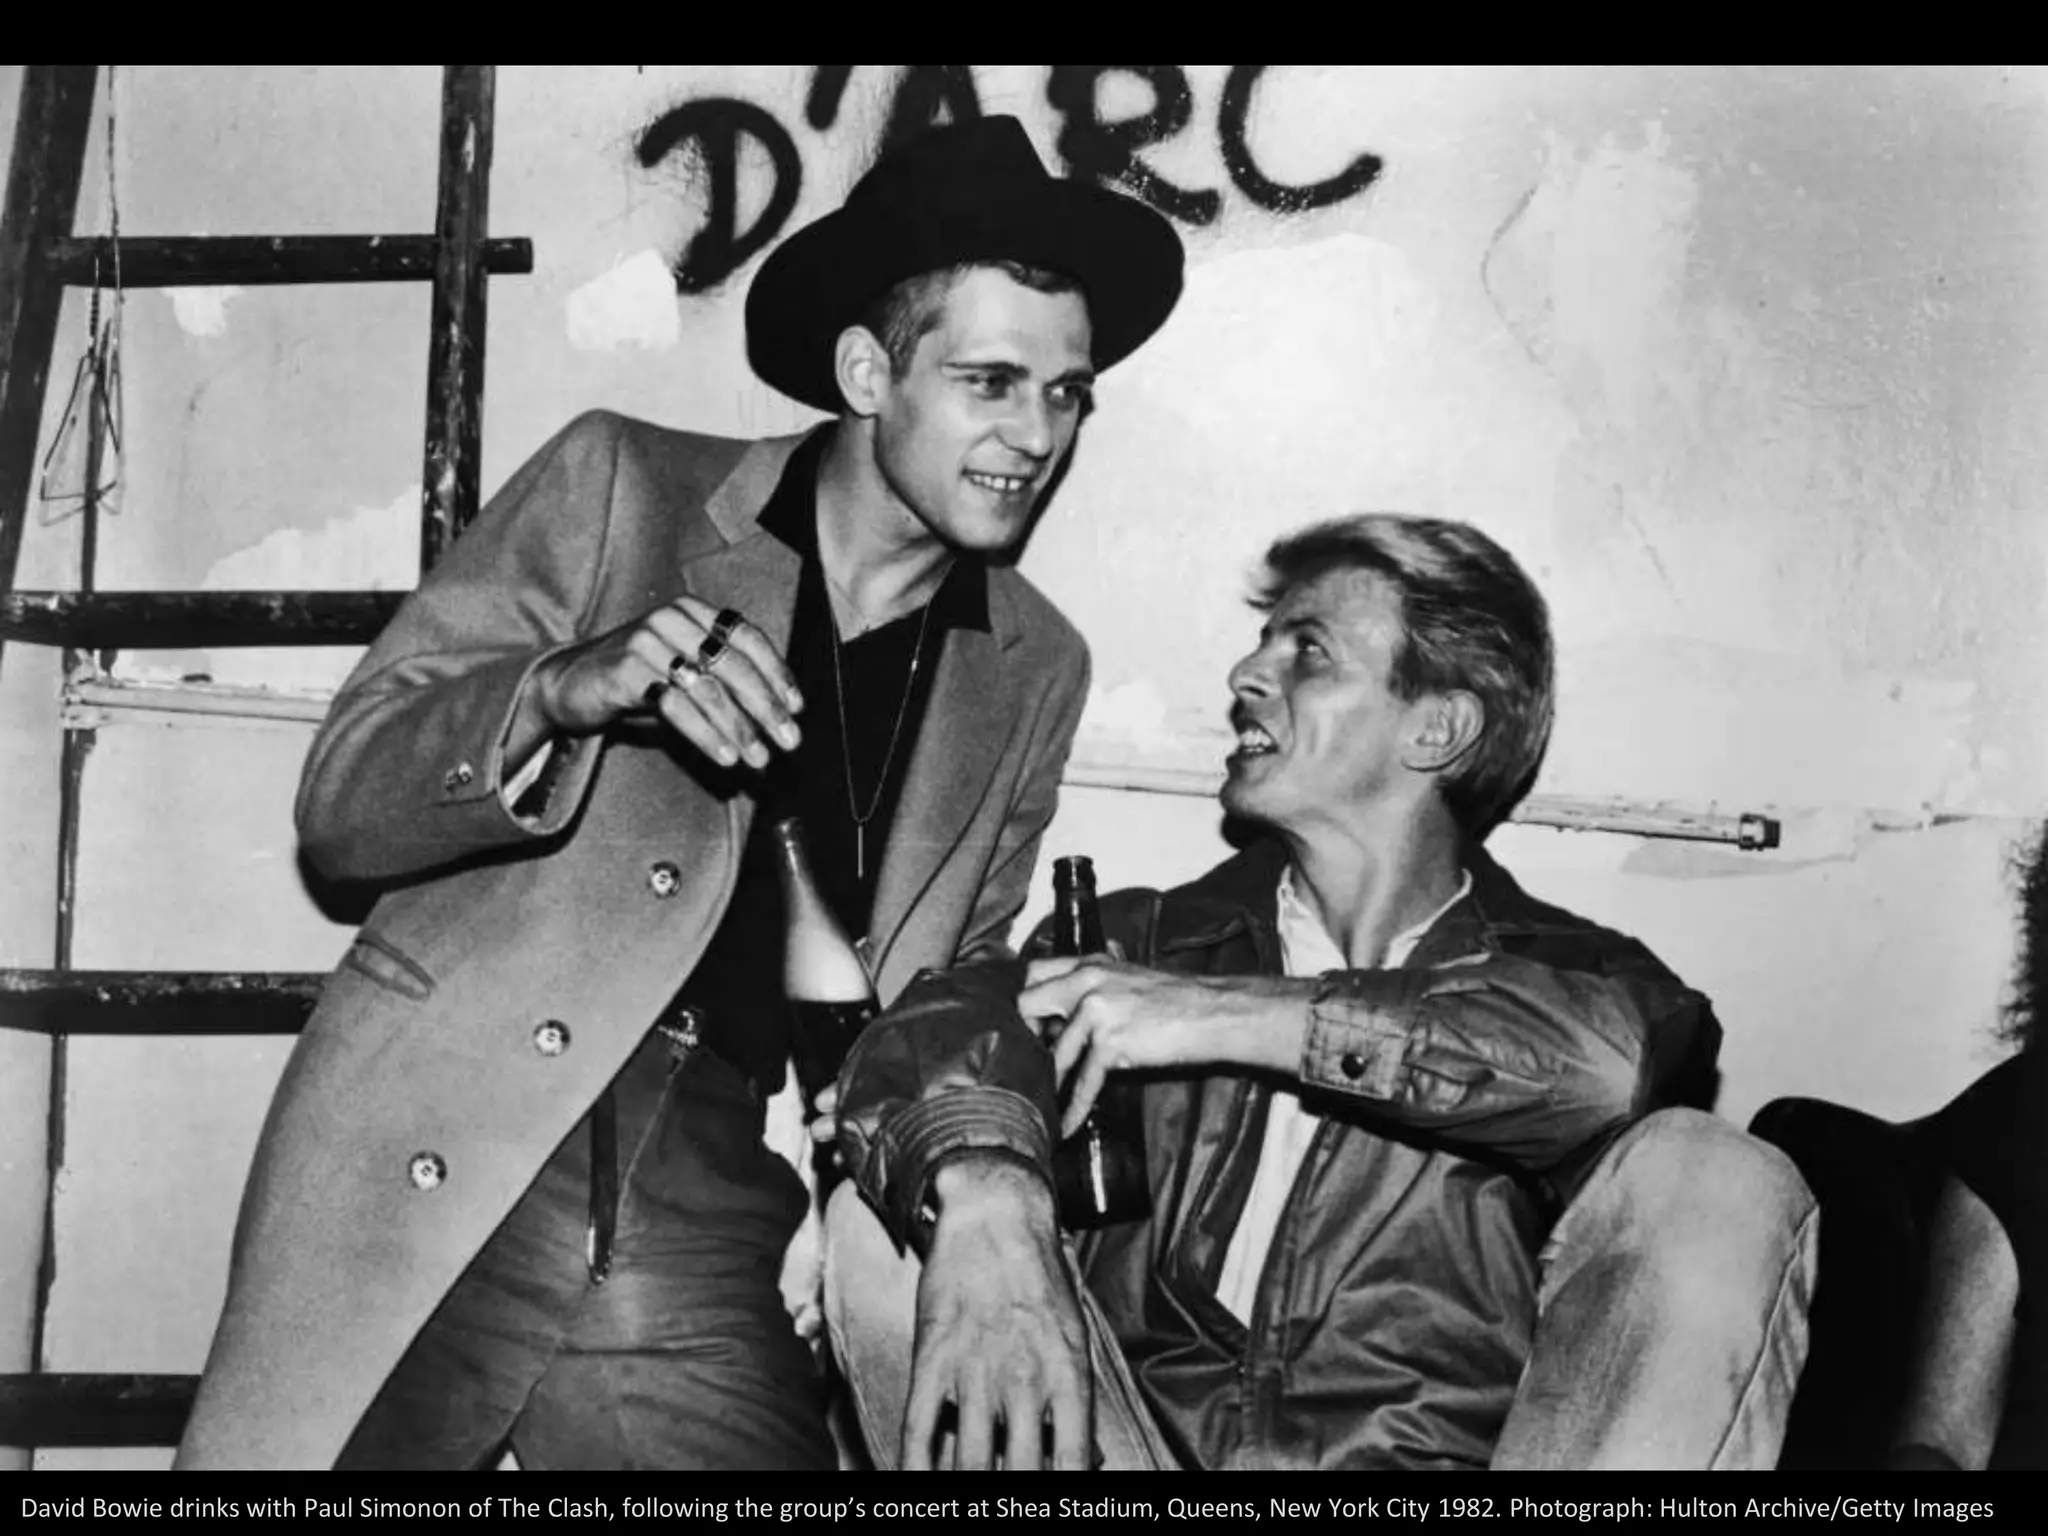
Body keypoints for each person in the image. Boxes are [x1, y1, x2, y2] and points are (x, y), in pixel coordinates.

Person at [175, 116, 1184, 1470]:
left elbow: (953, 975)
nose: (1035, 435)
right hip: (454, 1125)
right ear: (868, 371)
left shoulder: (1034, 663)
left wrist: (879, 1181)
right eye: (990, 382)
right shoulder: (625, 485)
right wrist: (560, 690)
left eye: (1066, 394)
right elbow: (344, 806)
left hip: (713, 1182)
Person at [829, 512, 1818, 1470]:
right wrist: (988, 1188)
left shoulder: (1582, 978)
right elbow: (931, 1028)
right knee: (900, 1226)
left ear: (1437, 727)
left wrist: (1228, 1017)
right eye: (1264, 644)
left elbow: (1611, 1073)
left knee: (1721, 1178)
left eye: (1307, 651)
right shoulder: (1142, 943)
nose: (1244, 675)